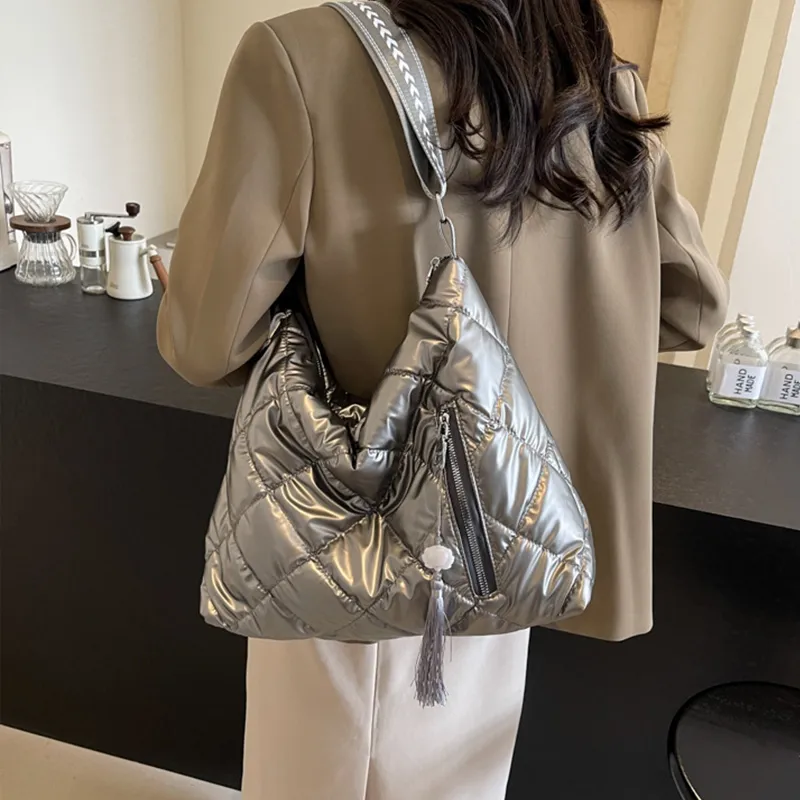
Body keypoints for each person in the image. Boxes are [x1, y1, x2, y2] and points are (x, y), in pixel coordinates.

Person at [157, 0, 728, 797]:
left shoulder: (300, 58)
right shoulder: (592, 78)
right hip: (521, 527)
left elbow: (203, 342)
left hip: (360, 533)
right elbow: (693, 308)